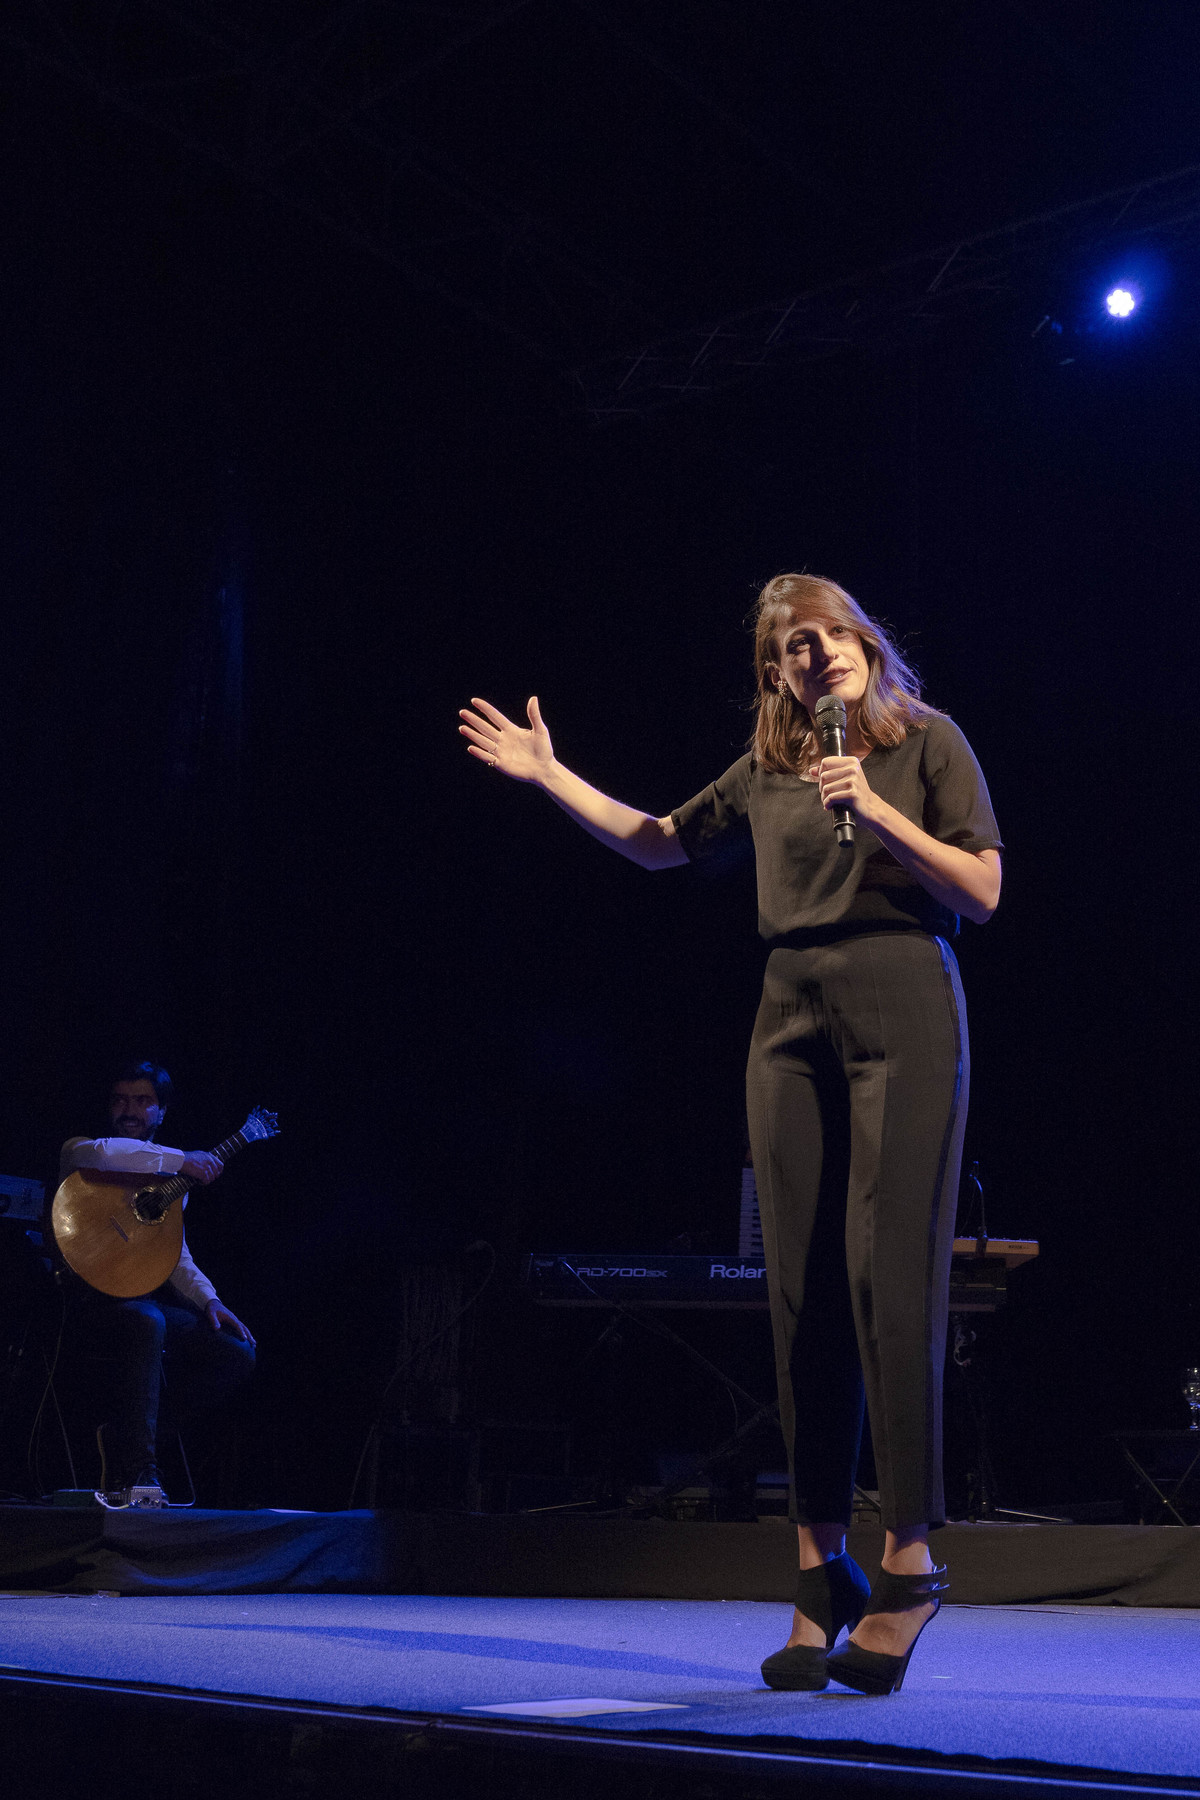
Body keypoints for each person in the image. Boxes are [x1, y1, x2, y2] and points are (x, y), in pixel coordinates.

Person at [459, 573, 1002, 1696]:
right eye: (798, 645)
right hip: (789, 1011)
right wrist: (551, 773)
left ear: (866, 643)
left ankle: (911, 1562)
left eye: (837, 633)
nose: (822, 652)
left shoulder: (928, 742)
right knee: (798, 1291)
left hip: (904, 990)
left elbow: (984, 890)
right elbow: (660, 842)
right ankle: (819, 1568)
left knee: (887, 1280)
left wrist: (879, 812)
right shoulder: (767, 769)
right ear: (776, 672)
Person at [60, 1060, 256, 1508]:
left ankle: (128, 1437)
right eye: (120, 1100)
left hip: (139, 1304)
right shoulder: (82, 1153)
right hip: (86, 1304)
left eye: (142, 1101)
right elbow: (108, 1154)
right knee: (148, 1320)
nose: (129, 1110)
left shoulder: (168, 1184)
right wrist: (184, 1159)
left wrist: (210, 1300)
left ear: (162, 1112)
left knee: (235, 1351)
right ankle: (140, 1473)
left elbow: (175, 1257)